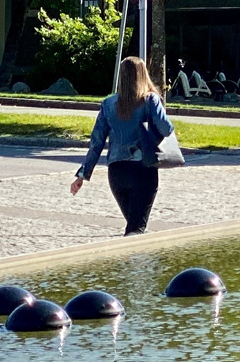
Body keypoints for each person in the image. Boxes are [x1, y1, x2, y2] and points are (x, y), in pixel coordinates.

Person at [69, 56, 176, 235]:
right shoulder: (150, 101)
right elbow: (166, 129)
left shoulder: (108, 104)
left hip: (117, 172)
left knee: (134, 228)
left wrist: (83, 174)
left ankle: (138, 261)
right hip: (143, 170)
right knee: (136, 230)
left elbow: (96, 143)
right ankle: (128, 262)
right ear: (143, 75)